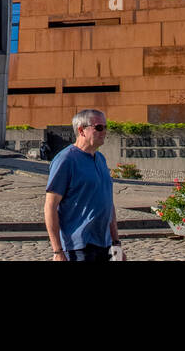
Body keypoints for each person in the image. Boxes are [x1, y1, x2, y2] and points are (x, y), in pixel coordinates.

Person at [44, 108, 123, 262]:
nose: (104, 131)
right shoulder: (66, 160)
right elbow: (50, 206)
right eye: (99, 127)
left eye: (106, 127)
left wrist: (116, 244)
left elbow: (108, 202)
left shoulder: (100, 159)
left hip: (105, 244)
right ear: (81, 130)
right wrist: (58, 251)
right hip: (79, 247)